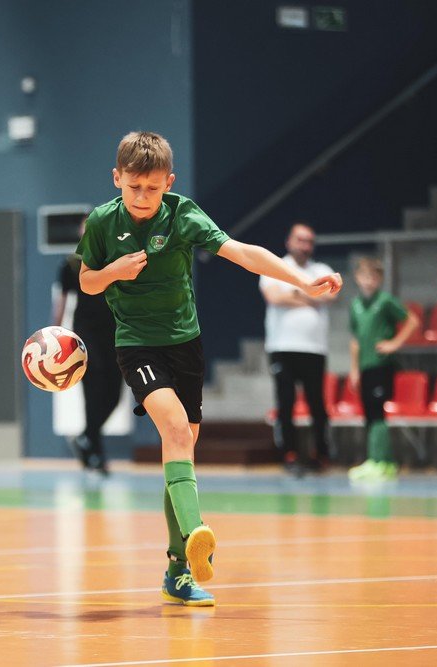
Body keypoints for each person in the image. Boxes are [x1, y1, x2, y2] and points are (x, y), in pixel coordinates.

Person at [77, 131, 341, 607]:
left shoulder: (183, 215)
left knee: (181, 451)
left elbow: (243, 253)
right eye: (134, 186)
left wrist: (303, 282)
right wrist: (114, 271)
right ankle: (197, 531)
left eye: (153, 188)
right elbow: (87, 282)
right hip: (137, 345)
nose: (142, 197)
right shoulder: (102, 222)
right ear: (117, 178)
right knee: (176, 431)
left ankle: (177, 571)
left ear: (169, 182)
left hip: (186, 345)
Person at [259, 222, 336, 475]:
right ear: (289, 241)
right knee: (286, 402)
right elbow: (274, 297)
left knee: (317, 404)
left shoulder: (321, 270)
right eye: (300, 240)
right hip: (282, 347)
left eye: (309, 241)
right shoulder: (274, 267)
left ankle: (321, 454)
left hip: (314, 349)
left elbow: (330, 295)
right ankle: (290, 454)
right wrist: (310, 295)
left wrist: (294, 293)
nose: (305, 246)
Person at [53, 220, 120, 475]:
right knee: (93, 394)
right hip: (85, 336)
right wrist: (55, 337)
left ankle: (85, 438)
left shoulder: (115, 261)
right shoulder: (71, 264)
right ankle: (97, 456)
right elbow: (61, 301)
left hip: (113, 335)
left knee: (114, 396)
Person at [346, 258, 420, 482]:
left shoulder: (385, 301)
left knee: (378, 411)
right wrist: (354, 369)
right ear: (357, 278)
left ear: (379, 279)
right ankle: (384, 462)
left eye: (374, 277)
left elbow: (412, 321)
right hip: (365, 366)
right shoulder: (355, 305)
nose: (368, 281)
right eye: (365, 276)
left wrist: (394, 343)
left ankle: (378, 461)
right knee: (369, 412)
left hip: (381, 364)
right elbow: (355, 340)